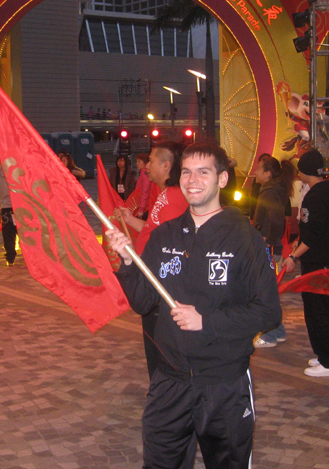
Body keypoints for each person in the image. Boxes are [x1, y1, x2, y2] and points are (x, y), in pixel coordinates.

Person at [106, 142, 281, 469]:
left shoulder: (245, 239)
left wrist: (207, 321)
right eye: (186, 171)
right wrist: (128, 263)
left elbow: (268, 312)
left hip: (224, 384)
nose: (192, 180)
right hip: (169, 381)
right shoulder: (165, 236)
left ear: (222, 179)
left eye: (204, 171)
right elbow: (143, 302)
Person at [117, 141, 188, 381]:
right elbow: (152, 229)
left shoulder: (176, 196)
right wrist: (130, 219)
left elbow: (171, 245)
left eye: (151, 160)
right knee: (153, 347)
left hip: (160, 288)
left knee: (160, 351)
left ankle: (164, 396)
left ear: (166, 165)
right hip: (152, 282)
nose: (147, 165)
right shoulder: (166, 194)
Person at [282, 149, 329, 377]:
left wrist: (293, 256)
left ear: (305, 171)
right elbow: (314, 230)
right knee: (328, 309)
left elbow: (313, 234)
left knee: (318, 312)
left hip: (317, 264)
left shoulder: (314, 196)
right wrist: (297, 244)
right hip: (327, 261)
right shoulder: (328, 192)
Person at [252, 155, 297, 348]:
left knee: (265, 290)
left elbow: (277, 219)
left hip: (268, 247)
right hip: (269, 245)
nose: (256, 172)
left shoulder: (270, 192)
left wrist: (270, 242)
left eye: (259, 168)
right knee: (266, 289)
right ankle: (276, 331)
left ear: (268, 174)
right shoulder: (271, 190)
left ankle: (271, 333)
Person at [0, 165, 17, 267]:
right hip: (17, 206)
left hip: (6, 208)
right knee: (23, 232)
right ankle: (32, 257)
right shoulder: (14, 171)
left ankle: (10, 258)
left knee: (8, 234)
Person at [132, 152, 152, 219]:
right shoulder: (142, 174)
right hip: (144, 204)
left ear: (145, 163)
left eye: (139, 161)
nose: (137, 164)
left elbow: (145, 192)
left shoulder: (145, 175)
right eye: (137, 161)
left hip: (145, 206)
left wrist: (141, 209)